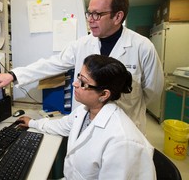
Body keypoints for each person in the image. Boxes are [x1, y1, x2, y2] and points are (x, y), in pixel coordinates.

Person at [0, 0, 164, 134]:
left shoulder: (142, 46)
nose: (91, 20)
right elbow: (52, 64)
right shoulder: (82, 44)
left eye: (97, 14)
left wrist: (127, 104)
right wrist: (13, 75)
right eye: (89, 13)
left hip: (125, 128)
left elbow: (152, 91)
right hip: (86, 126)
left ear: (118, 16)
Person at [18, 54, 156, 180]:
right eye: (78, 77)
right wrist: (33, 123)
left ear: (104, 94)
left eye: (83, 82)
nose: (74, 84)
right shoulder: (84, 111)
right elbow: (61, 125)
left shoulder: (122, 142)